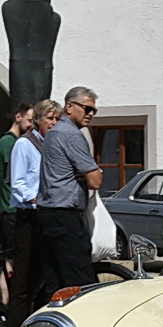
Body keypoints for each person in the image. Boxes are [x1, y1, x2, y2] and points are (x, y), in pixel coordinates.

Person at [35, 87, 104, 294]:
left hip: (48, 214)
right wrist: (88, 172)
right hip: (65, 215)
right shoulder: (71, 135)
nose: (91, 114)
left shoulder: (53, 133)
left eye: (94, 110)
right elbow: (95, 181)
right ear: (70, 107)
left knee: (55, 281)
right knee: (80, 282)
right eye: (87, 108)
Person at [8, 100, 61, 327]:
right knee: (22, 282)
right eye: (50, 118)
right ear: (38, 120)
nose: (54, 123)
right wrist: (34, 199)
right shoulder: (24, 145)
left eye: (57, 118)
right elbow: (17, 182)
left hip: (48, 215)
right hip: (28, 217)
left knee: (45, 277)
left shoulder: (54, 144)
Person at [0, 103, 34, 308]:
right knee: (12, 262)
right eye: (30, 120)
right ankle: (6, 306)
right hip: (12, 212)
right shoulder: (10, 143)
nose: (32, 125)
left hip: (10, 211)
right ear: (18, 117)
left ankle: (5, 306)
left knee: (10, 261)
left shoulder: (13, 141)